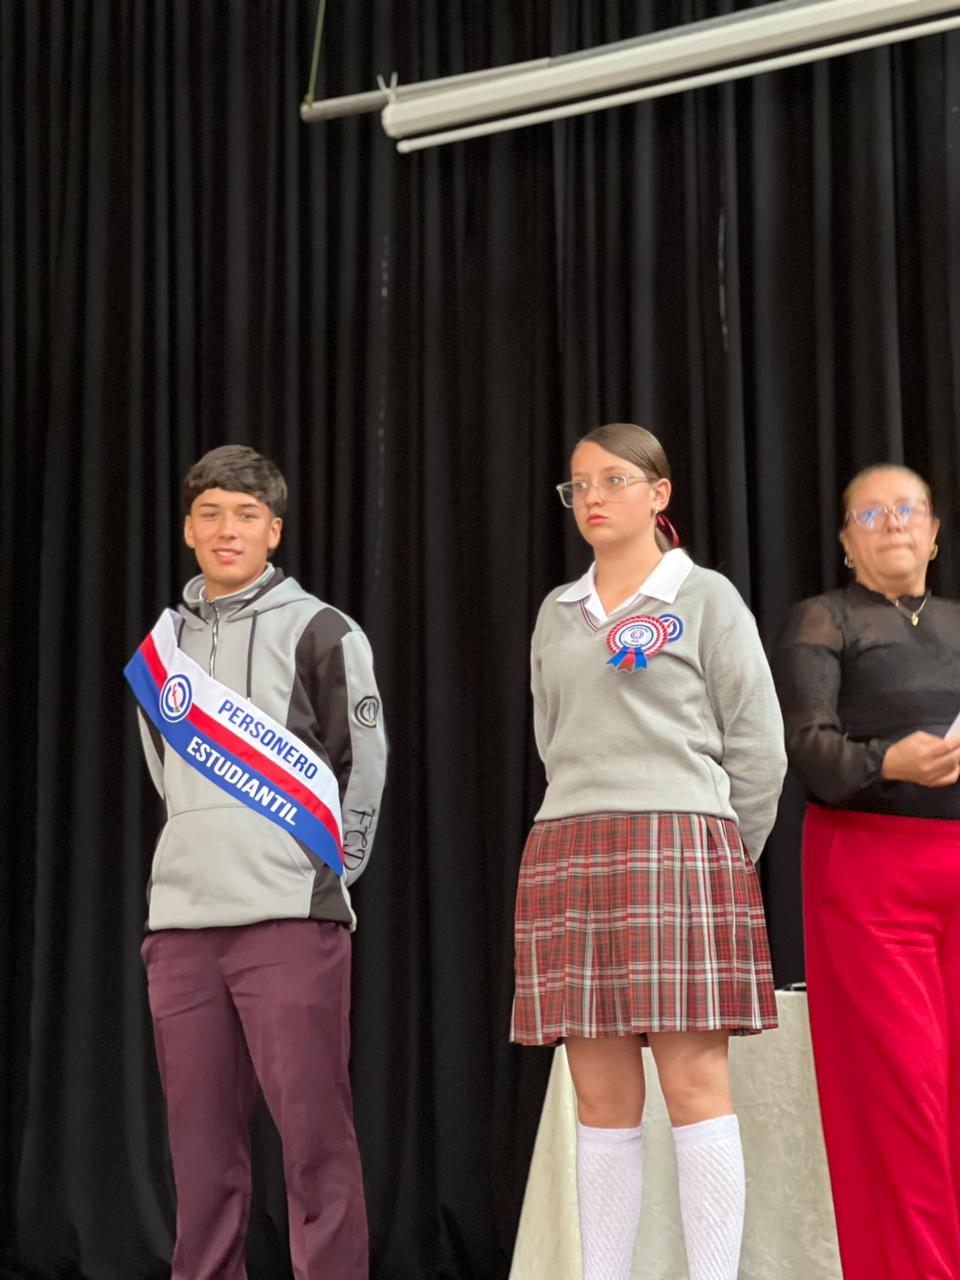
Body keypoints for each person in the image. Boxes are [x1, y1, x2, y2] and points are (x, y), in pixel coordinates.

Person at [512, 423, 786, 1280]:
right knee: (599, 1099)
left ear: (659, 493)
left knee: (695, 1089)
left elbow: (760, 751)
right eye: (579, 485)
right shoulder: (557, 613)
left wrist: (718, 858)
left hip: (681, 847)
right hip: (571, 847)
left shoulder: (705, 598)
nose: (593, 498)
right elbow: (552, 742)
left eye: (614, 480)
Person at [124, 444, 387, 1280]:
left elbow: (363, 766)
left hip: (288, 921)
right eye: (210, 514)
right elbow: (168, 778)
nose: (226, 529)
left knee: (315, 1142)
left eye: (246, 515)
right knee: (199, 1153)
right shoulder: (161, 652)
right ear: (188, 529)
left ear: (274, 530)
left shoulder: (322, 630)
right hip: (181, 925)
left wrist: (324, 872)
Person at [773, 464, 960, 1280]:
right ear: (848, 542)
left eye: (907, 508)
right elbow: (808, 749)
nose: (893, 523)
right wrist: (890, 761)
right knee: (902, 1103)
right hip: (871, 877)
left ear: (934, 532)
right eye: (871, 513)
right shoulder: (826, 618)